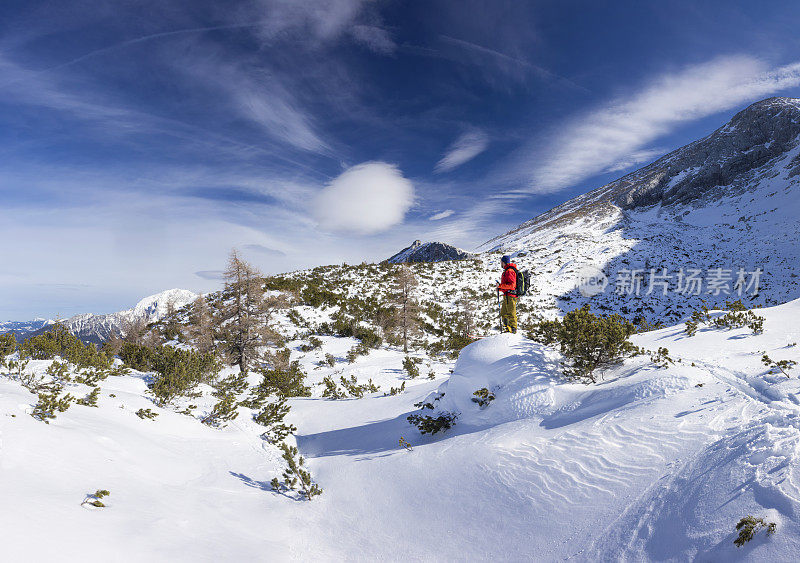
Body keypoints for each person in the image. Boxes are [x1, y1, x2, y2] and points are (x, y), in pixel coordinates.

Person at [497, 255, 518, 333]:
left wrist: (500, 286)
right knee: (504, 313)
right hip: (507, 296)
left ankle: (513, 330)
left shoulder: (509, 271)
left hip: (511, 296)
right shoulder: (507, 271)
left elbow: (512, 285)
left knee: (511, 313)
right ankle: (508, 329)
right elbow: (508, 285)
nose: (500, 264)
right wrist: (500, 287)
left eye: (501, 262)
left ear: (503, 262)